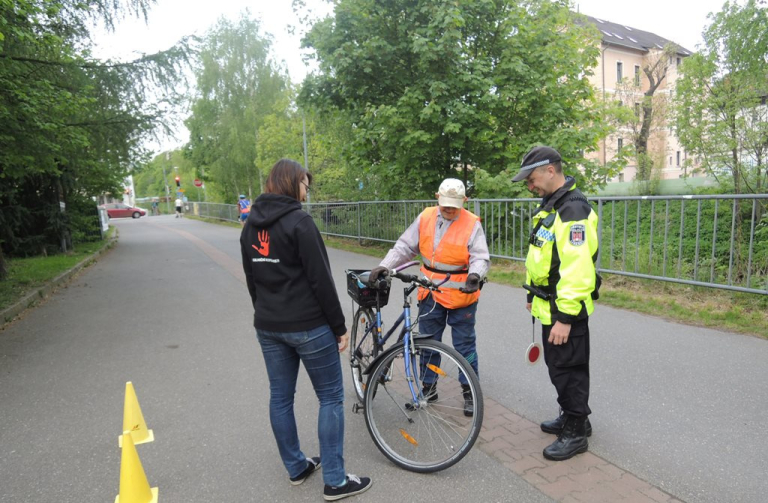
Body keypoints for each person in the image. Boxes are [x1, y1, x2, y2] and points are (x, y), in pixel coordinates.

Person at [240, 158, 372, 501]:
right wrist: (340, 326)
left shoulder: (250, 225)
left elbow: (252, 280)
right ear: (292, 183)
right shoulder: (300, 222)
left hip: (268, 325)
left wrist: (266, 313)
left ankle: (297, 467)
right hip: (309, 326)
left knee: (280, 397)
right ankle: (335, 480)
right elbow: (321, 281)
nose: (306, 191)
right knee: (330, 396)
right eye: (304, 185)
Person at [369, 178, 490, 417]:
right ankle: (429, 387)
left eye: (455, 205)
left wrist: (475, 275)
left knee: (465, 346)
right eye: (445, 204)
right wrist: (384, 266)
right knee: (427, 342)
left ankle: (469, 393)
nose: (449, 209)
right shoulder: (425, 218)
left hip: (462, 296)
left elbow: (480, 256)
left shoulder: (471, 224)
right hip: (430, 291)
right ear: (437, 198)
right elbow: (405, 247)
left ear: (464, 201)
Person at [513, 146, 599, 461]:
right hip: (548, 303)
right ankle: (573, 417)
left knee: (569, 370)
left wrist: (565, 317)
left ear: (551, 170)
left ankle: (576, 433)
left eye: (531, 178)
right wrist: (530, 293)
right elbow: (543, 255)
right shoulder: (551, 206)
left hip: (565, 310)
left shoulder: (573, 210)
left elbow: (577, 269)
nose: (529, 185)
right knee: (559, 367)